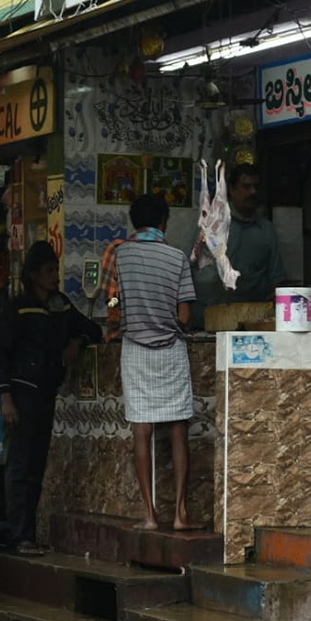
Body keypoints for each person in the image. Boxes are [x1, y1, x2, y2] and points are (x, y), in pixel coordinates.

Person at [0, 240, 102, 555]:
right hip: (20, 395)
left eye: (56, 270)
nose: (55, 276)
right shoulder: (17, 308)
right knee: (20, 466)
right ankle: (19, 535)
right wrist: (5, 397)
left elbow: (93, 329)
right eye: (50, 271)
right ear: (35, 275)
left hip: (45, 394)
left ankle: (29, 534)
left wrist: (77, 341)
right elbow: (0, 353)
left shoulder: (61, 306)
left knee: (37, 466)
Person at [99, 193, 200, 531]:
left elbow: (113, 299)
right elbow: (185, 312)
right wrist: (170, 323)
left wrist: (116, 317)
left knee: (141, 432)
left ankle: (149, 515)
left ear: (133, 221)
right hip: (171, 349)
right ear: (163, 222)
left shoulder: (120, 254)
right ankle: (181, 514)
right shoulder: (177, 257)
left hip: (136, 351)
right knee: (178, 428)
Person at [192, 162, 286, 326]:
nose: (253, 192)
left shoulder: (266, 230)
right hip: (208, 318)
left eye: (256, 187)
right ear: (232, 189)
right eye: (246, 186)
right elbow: (188, 266)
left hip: (252, 320)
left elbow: (276, 277)